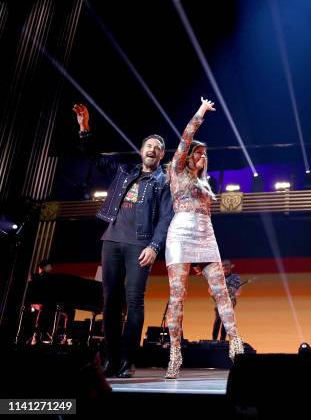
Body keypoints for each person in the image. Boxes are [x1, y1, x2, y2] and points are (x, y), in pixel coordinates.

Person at [74, 103, 173, 378]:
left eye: (157, 147)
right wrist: (85, 129)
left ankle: (126, 360)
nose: (151, 149)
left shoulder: (163, 183)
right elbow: (94, 156)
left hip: (139, 246)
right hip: (112, 241)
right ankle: (110, 357)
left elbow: (166, 218)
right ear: (142, 151)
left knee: (134, 302)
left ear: (162, 154)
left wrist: (154, 247)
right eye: (148, 145)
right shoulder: (124, 171)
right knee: (110, 303)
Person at [164, 97, 244, 379]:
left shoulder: (205, 182)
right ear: (188, 156)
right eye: (197, 154)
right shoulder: (175, 170)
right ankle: (175, 353)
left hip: (205, 233)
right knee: (177, 296)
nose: (202, 157)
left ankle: (236, 345)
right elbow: (186, 138)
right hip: (181, 233)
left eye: (204, 155)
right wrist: (200, 112)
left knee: (222, 292)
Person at [211, 260, 241, 341]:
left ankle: (222, 340)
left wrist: (228, 289)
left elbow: (237, 291)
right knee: (218, 320)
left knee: (225, 322)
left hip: (230, 302)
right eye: (223, 266)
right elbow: (211, 290)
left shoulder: (236, 277)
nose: (225, 268)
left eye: (227, 266)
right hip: (219, 302)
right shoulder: (217, 277)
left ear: (231, 266)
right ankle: (214, 340)